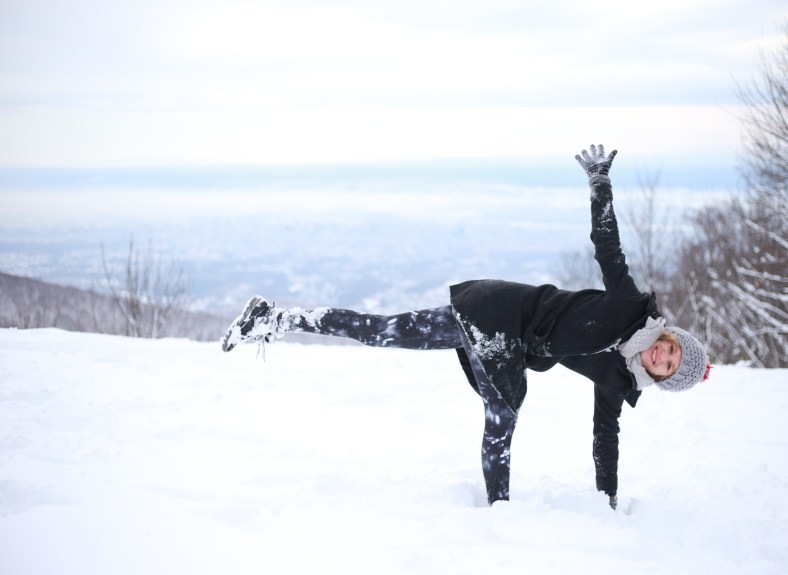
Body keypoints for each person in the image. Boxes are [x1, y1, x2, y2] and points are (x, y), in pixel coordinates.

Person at [221, 144, 711, 509]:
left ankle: (272, 317)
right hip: (500, 313)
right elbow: (609, 248)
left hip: (503, 335)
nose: (662, 358)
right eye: (671, 350)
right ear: (668, 338)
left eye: (668, 368)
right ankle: (498, 513)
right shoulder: (630, 307)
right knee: (504, 409)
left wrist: (608, 502)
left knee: (381, 332)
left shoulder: (618, 379)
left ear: (663, 378)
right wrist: (600, 184)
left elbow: (606, 437)